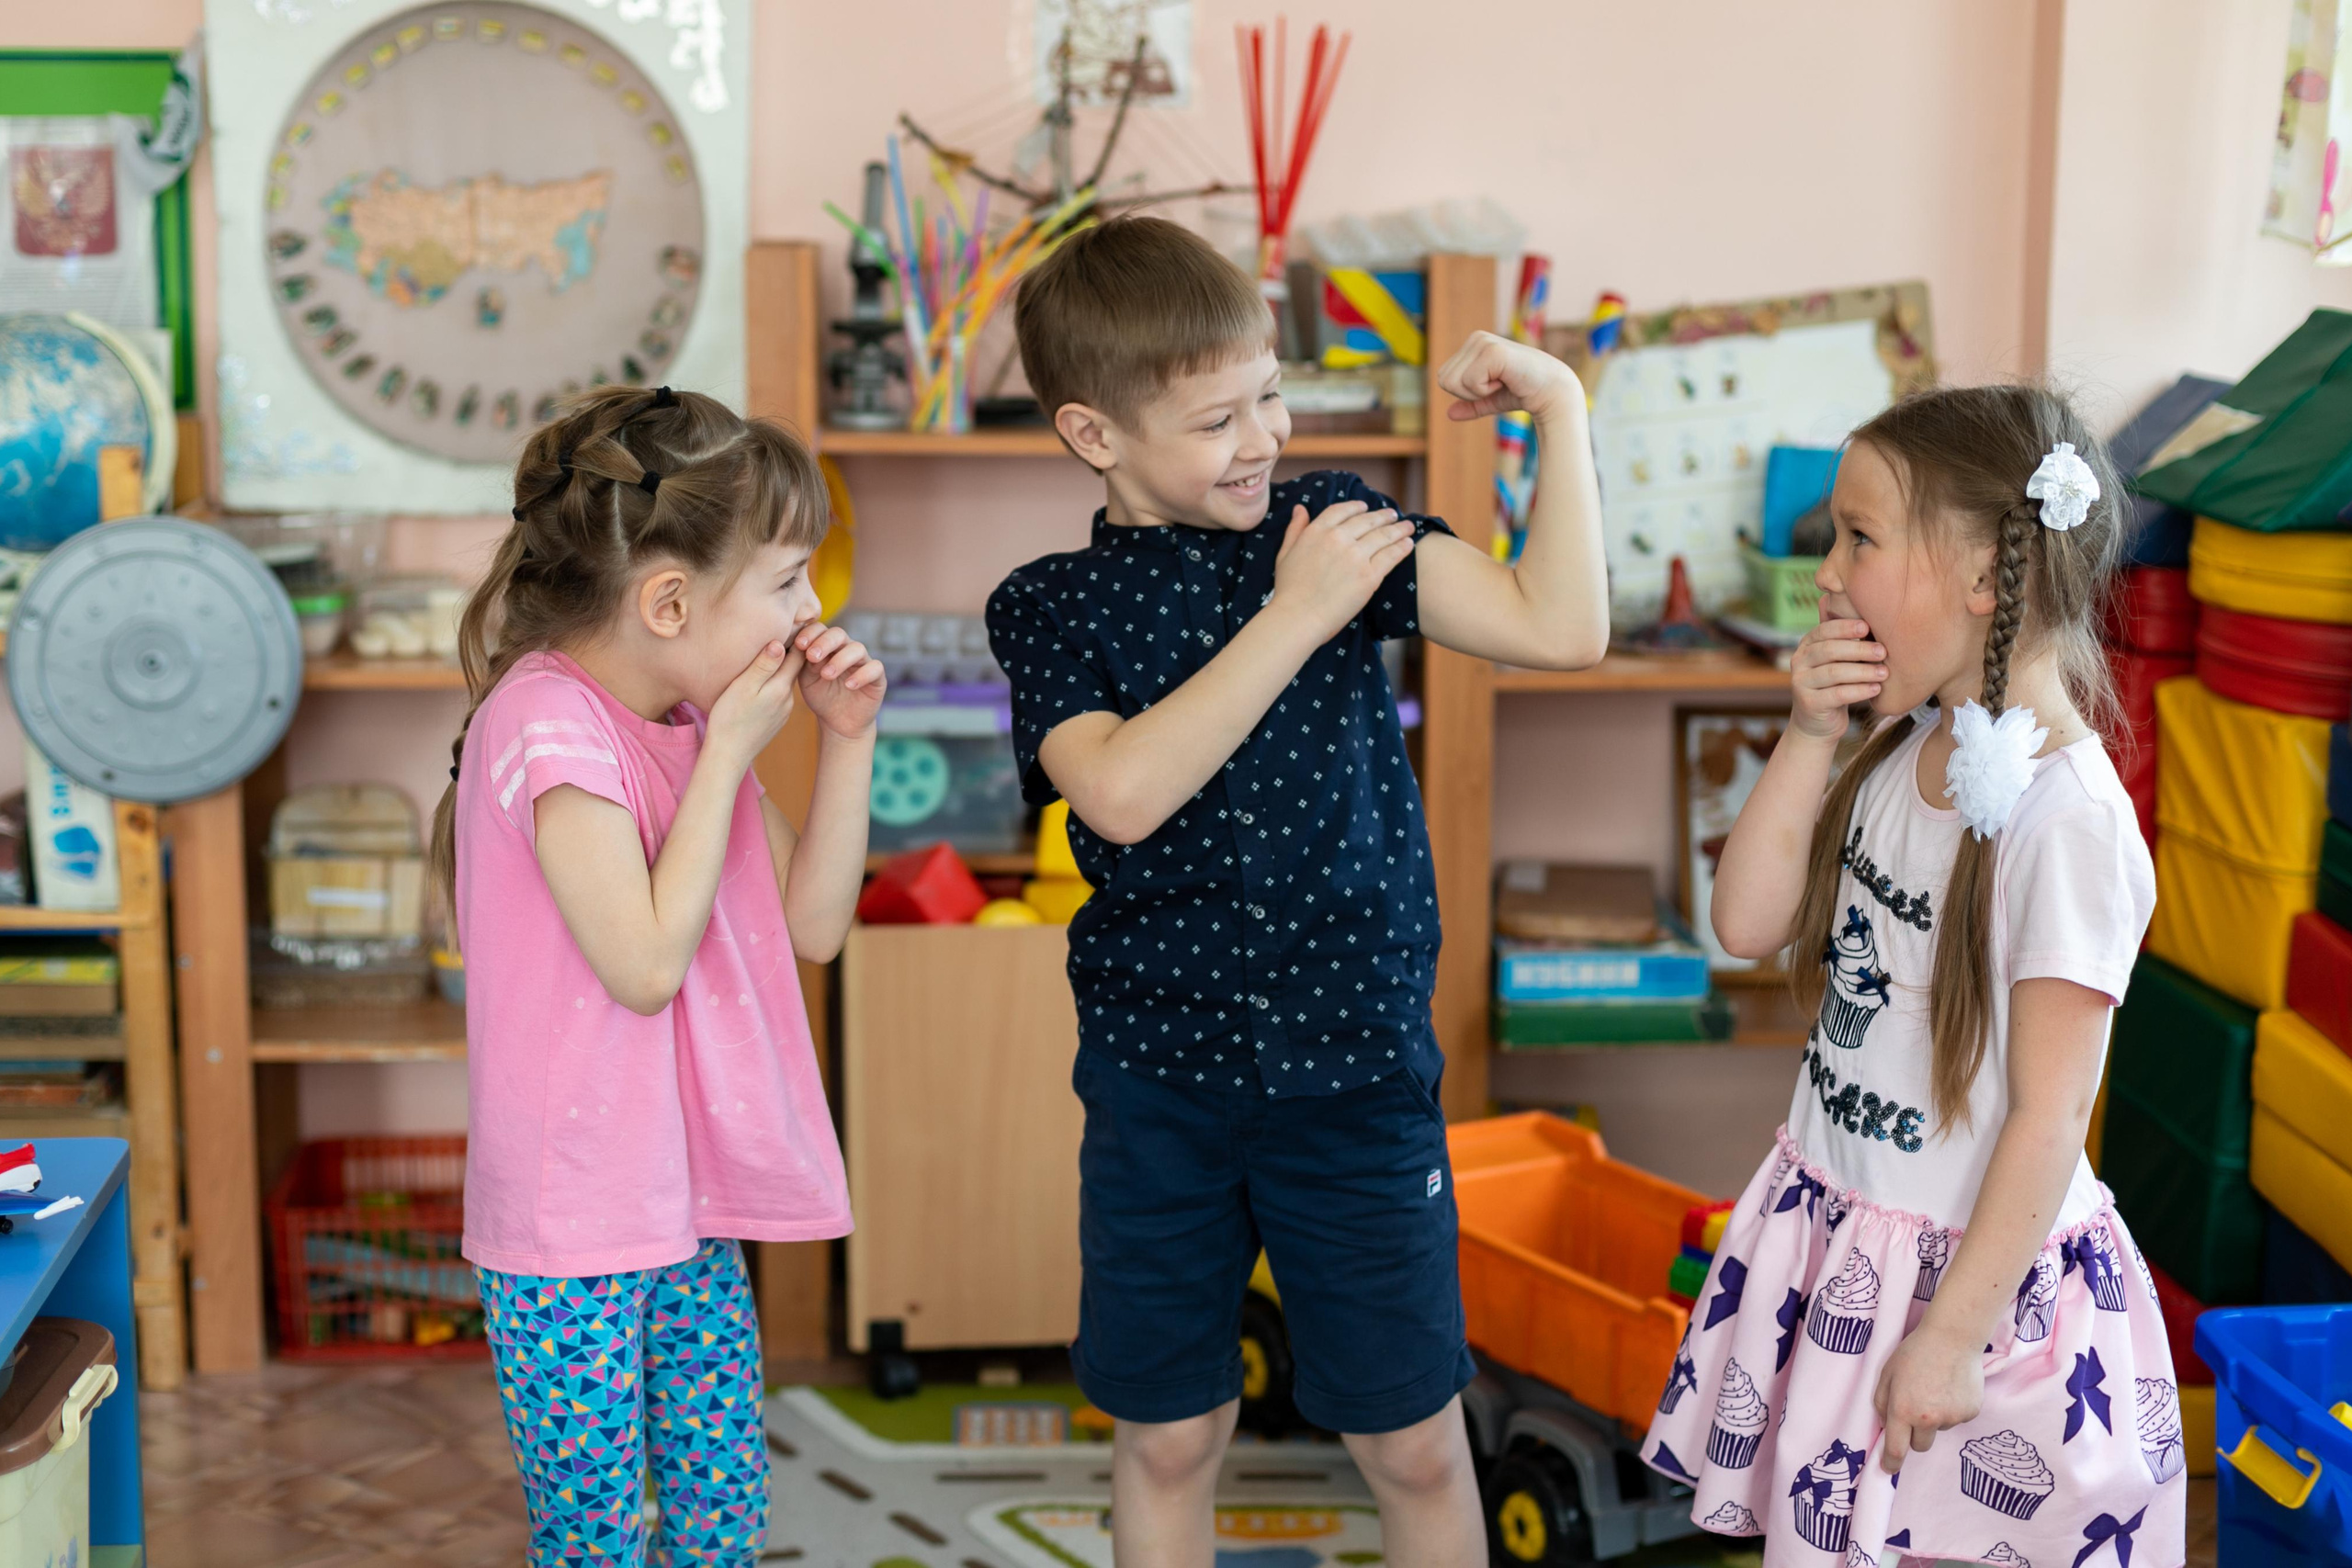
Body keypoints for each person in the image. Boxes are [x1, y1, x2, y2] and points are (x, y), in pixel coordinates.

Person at [986, 216, 1610, 1567]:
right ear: (1096, 435)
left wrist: (1558, 409)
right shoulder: (1049, 605)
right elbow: (1125, 793)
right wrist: (1294, 616)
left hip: (1356, 1073)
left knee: (1414, 1439)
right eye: (1217, 418)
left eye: (1270, 392)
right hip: (1161, 1088)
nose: (1262, 437)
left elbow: (1563, 628)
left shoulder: (1333, 526)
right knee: (1165, 1436)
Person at [1643, 386, 2184, 1566]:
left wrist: (1949, 1336)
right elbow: (1743, 922)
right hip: (1842, 1238)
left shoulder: (2068, 821)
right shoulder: (1905, 747)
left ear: (1989, 581)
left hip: (1969, 1297)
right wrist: (1805, 731)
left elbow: (2049, 1115)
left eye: (1859, 536)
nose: (1826, 572)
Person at [430, 385, 882, 1564]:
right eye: (786, 580)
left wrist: (847, 743)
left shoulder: (685, 725)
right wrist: (732, 749)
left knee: (723, 1512)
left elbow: (816, 925)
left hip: (681, 1197)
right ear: (669, 600)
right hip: (571, 1216)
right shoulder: (548, 728)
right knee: (592, 1536)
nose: (812, 607)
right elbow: (641, 965)